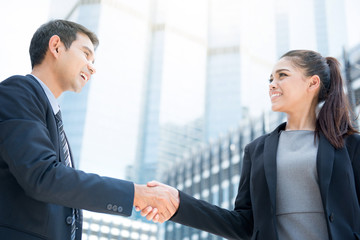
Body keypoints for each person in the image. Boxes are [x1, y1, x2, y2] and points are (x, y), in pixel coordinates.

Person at [142, 50, 360, 239]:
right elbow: (243, 224)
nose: (272, 84)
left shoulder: (350, 145)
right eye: (270, 79)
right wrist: (179, 203)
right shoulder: (257, 150)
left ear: (312, 83)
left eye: (282, 76)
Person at [0, 19, 178, 240]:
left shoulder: (53, 122)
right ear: (56, 46)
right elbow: (44, 177)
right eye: (86, 54)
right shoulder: (17, 92)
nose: (92, 67)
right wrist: (135, 194)